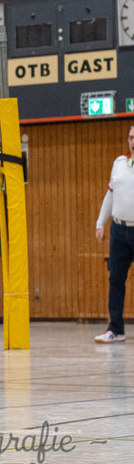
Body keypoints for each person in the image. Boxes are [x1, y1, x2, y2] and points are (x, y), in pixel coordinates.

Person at [94, 124, 134, 343]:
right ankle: (115, 330)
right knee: (116, 279)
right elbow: (110, 196)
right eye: (130, 138)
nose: (132, 141)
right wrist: (101, 223)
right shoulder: (118, 164)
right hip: (119, 230)